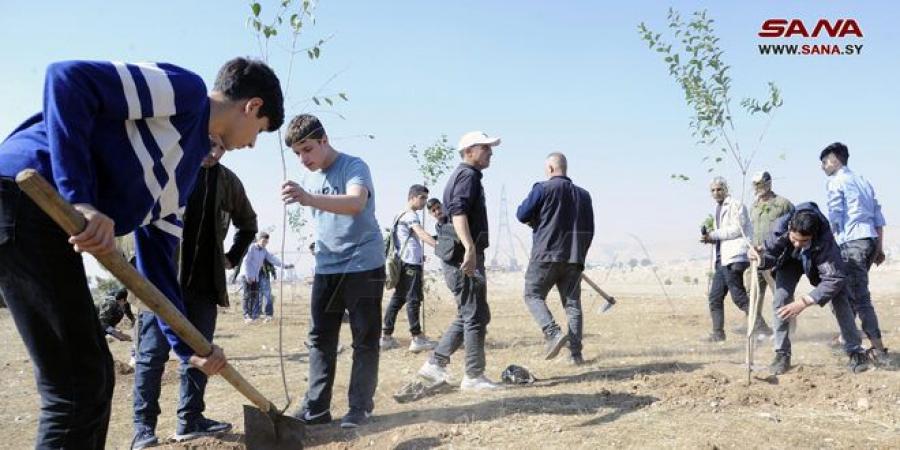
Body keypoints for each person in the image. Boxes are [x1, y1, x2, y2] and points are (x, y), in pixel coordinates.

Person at [0, 57, 283, 449]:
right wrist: (80, 198)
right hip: (25, 196)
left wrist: (190, 349)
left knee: (95, 376)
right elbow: (66, 78)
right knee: (76, 386)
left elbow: (158, 268)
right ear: (252, 107)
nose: (251, 144)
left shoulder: (183, 177)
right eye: (259, 132)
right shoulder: (185, 94)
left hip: (43, 219)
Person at [132, 141, 258, 444]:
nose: (212, 152)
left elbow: (248, 224)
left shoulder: (228, 182)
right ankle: (143, 428)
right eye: (209, 143)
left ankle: (190, 419)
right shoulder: (169, 170)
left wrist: (231, 256)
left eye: (220, 148)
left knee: (202, 354)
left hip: (204, 286)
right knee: (152, 356)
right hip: (162, 284)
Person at [281, 114, 385, 429]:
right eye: (298, 153)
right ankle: (316, 408)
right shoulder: (309, 178)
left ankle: (359, 408)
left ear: (324, 140)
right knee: (320, 338)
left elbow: (355, 203)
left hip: (363, 264)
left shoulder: (354, 166)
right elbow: (325, 219)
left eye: (308, 149)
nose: (304, 159)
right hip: (327, 266)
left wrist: (308, 198)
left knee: (364, 338)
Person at [417, 131, 501, 391]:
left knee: (474, 312)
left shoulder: (468, 175)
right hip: (461, 256)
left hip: (460, 254)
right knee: (474, 314)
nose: (490, 152)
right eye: (485, 148)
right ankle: (473, 376)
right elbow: (459, 213)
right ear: (469, 152)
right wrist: (470, 248)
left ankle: (435, 363)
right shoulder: (467, 175)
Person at [749, 203, 870, 374]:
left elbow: (834, 278)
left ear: (813, 235)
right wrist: (759, 259)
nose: (798, 244)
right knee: (780, 299)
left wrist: (804, 302)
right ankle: (781, 353)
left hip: (816, 262)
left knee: (840, 298)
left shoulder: (825, 240)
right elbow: (770, 253)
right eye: (794, 239)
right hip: (788, 262)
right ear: (789, 228)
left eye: (804, 240)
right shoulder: (780, 227)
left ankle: (855, 351)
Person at [516, 152, 594, 365]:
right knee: (573, 306)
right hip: (573, 258)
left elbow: (522, 214)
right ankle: (575, 355)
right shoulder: (584, 195)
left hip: (546, 255)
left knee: (532, 295)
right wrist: (580, 256)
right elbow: (590, 229)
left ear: (550, 169)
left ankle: (552, 333)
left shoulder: (542, 188)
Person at [820, 142, 890, 365]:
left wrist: (828, 247)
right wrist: (878, 247)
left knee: (859, 297)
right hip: (868, 242)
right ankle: (844, 337)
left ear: (835, 160)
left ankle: (878, 350)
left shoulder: (836, 181)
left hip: (851, 243)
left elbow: (835, 217)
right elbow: (878, 218)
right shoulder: (863, 181)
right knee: (847, 292)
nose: (822, 167)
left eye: (824, 161)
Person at [700, 177, 771, 342]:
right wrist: (710, 237)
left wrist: (714, 234)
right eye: (713, 190)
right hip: (722, 259)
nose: (716, 193)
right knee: (715, 297)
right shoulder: (718, 208)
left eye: (719, 189)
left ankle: (764, 329)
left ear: (726, 189)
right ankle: (718, 334)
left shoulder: (735, 205)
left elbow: (736, 229)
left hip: (734, 258)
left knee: (739, 297)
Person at [381, 184, 438, 352]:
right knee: (413, 299)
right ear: (412, 197)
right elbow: (420, 233)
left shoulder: (398, 215)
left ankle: (386, 336)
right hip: (410, 263)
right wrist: (439, 246)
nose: (424, 202)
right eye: (422, 198)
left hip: (405, 261)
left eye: (426, 198)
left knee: (398, 299)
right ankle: (417, 337)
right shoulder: (410, 215)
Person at [748, 171, 794, 324]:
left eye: (761, 183)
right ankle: (757, 327)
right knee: (753, 293)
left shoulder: (783, 204)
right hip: (757, 257)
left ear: (769, 183)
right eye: (755, 184)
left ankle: (788, 328)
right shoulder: (754, 207)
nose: (758, 187)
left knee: (780, 294)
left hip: (776, 257)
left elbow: (794, 226)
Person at [240, 232, 290, 323]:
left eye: (266, 242)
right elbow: (246, 261)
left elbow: (272, 259)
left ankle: (252, 316)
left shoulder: (264, 251)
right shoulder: (251, 248)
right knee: (247, 295)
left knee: (254, 296)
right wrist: (248, 276)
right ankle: (246, 316)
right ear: (258, 240)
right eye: (263, 241)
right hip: (246, 275)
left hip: (255, 276)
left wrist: (285, 265)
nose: (264, 244)